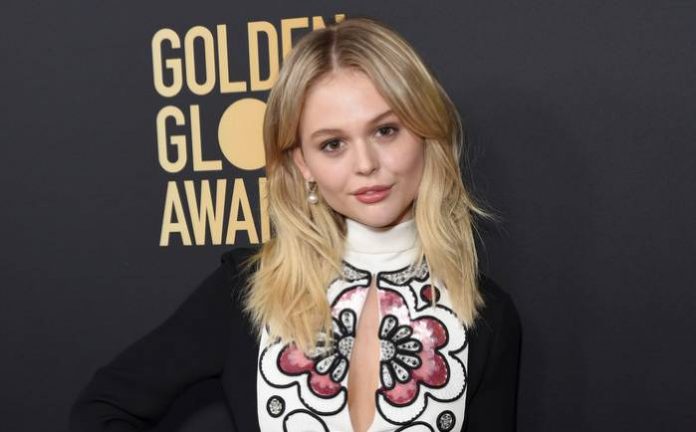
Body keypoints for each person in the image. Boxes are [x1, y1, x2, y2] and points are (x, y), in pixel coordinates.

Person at [70, 17, 521, 432]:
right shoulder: (247, 291)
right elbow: (103, 407)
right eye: (333, 144)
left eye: (385, 130)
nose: (365, 164)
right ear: (303, 163)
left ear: (425, 133)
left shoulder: (487, 317)